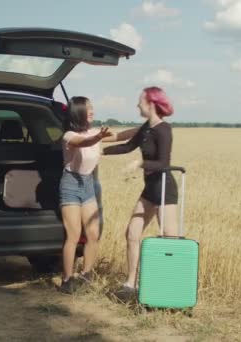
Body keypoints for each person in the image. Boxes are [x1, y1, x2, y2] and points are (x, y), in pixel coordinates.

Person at [102, 86, 178, 300]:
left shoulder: (164, 130)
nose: (137, 105)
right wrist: (100, 152)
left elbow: (163, 163)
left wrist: (139, 163)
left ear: (151, 104)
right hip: (149, 190)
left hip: (164, 189)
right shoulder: (146, 127)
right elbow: (127, 146)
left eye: (140, 101)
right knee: (132, 234)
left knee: (169, 240)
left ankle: (169, 287)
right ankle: (130, 284)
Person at [58, 96, 111, 294]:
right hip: (71, 185)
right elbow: (83, 142)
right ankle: (67, 280)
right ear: (79, 112)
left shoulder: (94, 132)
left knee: (92, 234)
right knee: (73, 236)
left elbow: (120, 137)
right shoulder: (69, 136)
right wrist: (98, 137)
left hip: (88, 184)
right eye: (89, 108)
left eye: (92, 107)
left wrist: (144, 129)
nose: (92, 111)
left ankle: (87, 276)